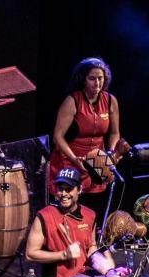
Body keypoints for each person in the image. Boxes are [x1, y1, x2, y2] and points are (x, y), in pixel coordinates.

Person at [48, 57, 121, 217]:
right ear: (83, 79)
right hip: (70, 162)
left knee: (91, 212)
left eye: (100, 78)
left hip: (96, 165)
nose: (97, 83)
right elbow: (57, 137)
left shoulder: (110, 101)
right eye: (92, 78)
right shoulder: (72, 101)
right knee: (66, 212)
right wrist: (75, 160)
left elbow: (115, 133)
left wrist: (111, 152)